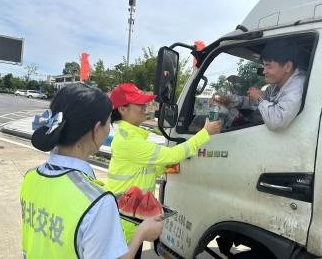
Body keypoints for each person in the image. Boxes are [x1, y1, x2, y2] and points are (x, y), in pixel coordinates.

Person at [20, 83, 163, 259]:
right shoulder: (98, 201)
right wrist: (142, 232)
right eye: (109, 122)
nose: (110, 128)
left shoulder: (30, 177)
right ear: (97, 129)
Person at [106, 83, 222, 258]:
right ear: (123, 109)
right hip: (124, 222)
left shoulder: (132, 135)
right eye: (140, 104)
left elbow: (144, 170)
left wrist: (165, 166)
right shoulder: (128, 140)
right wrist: (205, 133)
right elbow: (171, 155)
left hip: (129, 216)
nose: (145, 108)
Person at [217, 38, 307, 130]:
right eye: (264, 66)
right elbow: (256, 102)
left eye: (268, 66)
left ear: (287, 66)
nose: (264, 71)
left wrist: (259, 99)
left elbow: (277, 121)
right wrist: (228, 100)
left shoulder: (298, 86)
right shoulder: (275, 86)